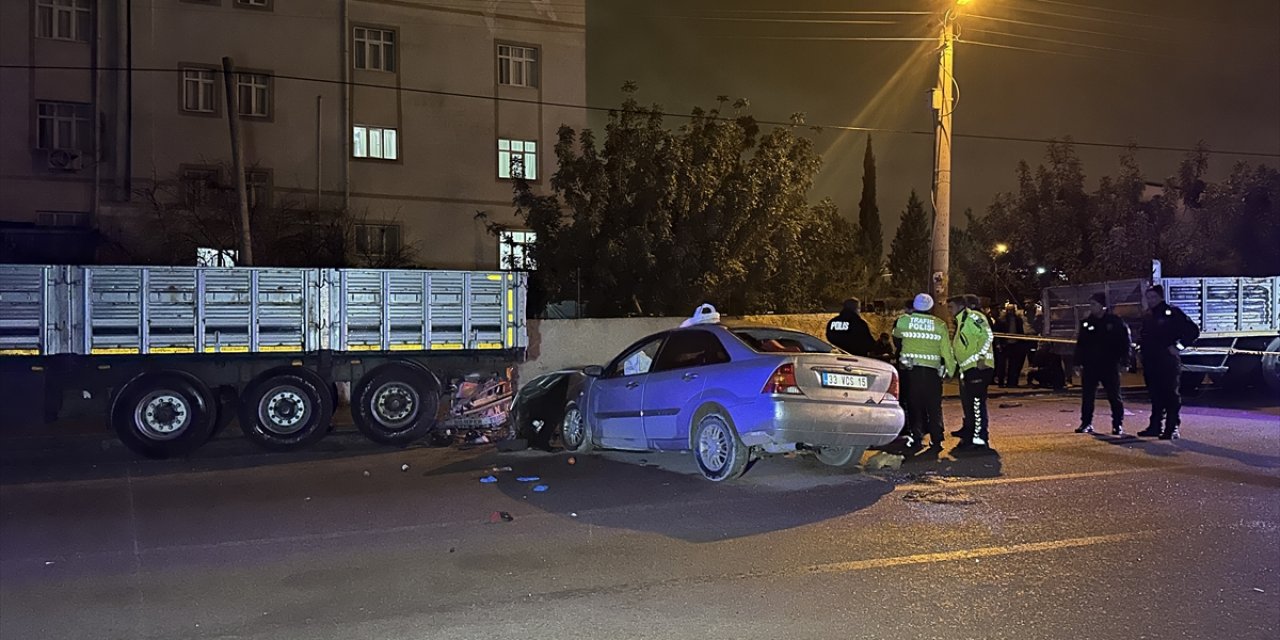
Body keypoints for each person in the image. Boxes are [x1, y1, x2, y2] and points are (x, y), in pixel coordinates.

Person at [891, 293, 956, 452]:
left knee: (914, 406)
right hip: (932, 373)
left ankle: (916, 436)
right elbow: (947, 352)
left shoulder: (903, 321)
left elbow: (896, 337)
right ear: (931, 307)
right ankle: (937, 438)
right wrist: (951, 370)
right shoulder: (939, 325)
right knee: (934, 406)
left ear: (914, 305)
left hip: (911, 372)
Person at [1137, 285, 1200, 439]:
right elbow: (1144, 336)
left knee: (1170, 395)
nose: (1150, 301)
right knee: (1155, 395)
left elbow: (1193, 331)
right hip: (1151, 361)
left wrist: (1178, 346)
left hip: (1167, 360)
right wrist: (1140, 350)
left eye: (1153, 297)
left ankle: (1172, 428)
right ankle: (1155, 426)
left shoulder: (1172, 313)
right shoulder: (1148, 315)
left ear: (1160, 297)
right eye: (1148, 298)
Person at [1073, 292, 1131, 435]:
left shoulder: (1115, 322)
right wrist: (1077, 363)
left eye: (1094, 304)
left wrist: (1125, 361)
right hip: (1090, 365)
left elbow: (1124, 343)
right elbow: (1081, 344)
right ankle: (1086, 423)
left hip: (1109, 365)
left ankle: (1117, 424)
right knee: (1088, 396)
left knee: (1114, 396)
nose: (1091, 307)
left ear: (1102, 306)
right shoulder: (1087, 323)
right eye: (1090, 304)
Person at [949, 294, 996, 450]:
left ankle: (979, 437)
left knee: (976, 404)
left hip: (978, 368)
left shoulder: (973, 317)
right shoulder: (961, 320)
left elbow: (987, 336)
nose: (949, 310)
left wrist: (981, 359)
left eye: (951, 307)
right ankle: (969, 433)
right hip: (968, 369)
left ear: (960, 306)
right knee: (968, 403)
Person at [994, 303, 1027, 387]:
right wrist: (998, 344)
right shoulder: (1001, 320)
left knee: (1014, 365)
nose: (1010, 312)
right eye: (1009, 310)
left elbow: (1020, 331)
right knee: (1002, 365)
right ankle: (1001, 382)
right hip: (1005, 344)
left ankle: (1012, 382)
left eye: (1012, 310)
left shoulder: (1018, 319)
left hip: (1015, 344)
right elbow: (996, 333)